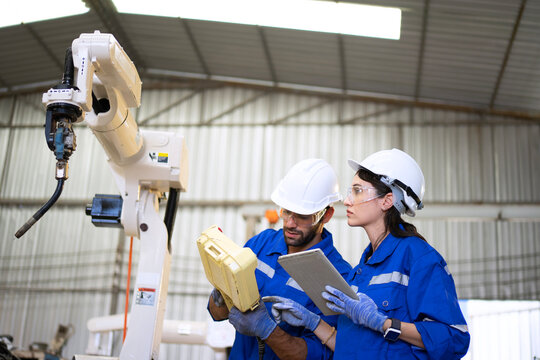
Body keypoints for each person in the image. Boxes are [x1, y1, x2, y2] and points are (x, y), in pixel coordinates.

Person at [265, 149, 470, 359]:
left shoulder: (418, 258)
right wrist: (313, 322)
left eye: (357, 190)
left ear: (387, 200)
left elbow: (455, 338)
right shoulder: (360, 273)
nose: (347, 201)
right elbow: (351, 348)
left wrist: (383, 323)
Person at [207, 158, 352, 360]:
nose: (290, 223)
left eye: (302, 215)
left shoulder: (338, 275)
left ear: (326, 215)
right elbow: (216, 314)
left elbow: (317, 355)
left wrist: (268, 331)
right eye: (286, 211)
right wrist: (220, 296)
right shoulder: (261, 244)